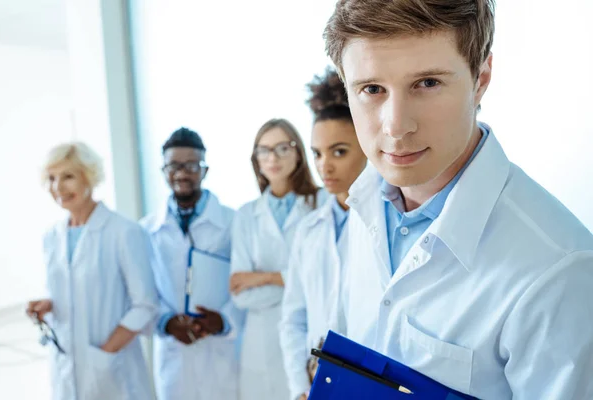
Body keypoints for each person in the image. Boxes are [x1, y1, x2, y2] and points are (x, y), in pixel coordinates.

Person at [323, 0, 593, 398]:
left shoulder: (559, 272)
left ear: (481, 77)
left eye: (428, 83)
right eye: (372, 89)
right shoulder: (364, 202)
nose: (397, 127)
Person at [27, 142, 159, 400]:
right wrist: (48, 305)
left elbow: (146, 305)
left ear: (89, 176)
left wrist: (106, 353)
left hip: (114, 371)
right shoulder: (51, 237)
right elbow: (71, 291)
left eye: (68, 177)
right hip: (67, 368)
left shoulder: (124, 232)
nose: (58, 187)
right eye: (52, 178)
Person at [279, 68, 367, 400]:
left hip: (365, 384)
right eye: (317, 153)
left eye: (339, 152)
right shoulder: (308, 230)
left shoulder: (386, 223)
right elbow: (293, 317)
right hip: (315, 386)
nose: (324, 166)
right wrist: (300, 387)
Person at [140, 127, 243, 400]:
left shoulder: (233, 223)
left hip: (221, 354)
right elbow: (141, 294)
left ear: (204, 171)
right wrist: (166, 322)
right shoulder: (147, 231)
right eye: (173, 165)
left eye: (191, 165)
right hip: (174, 359)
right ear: (163, 170)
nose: (182, 173)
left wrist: (222, 321)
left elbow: (245, 286)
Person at [230, 118, 325, 400]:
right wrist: (298, 282)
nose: (273, 158)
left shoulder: (324, 203)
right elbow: (240, 296)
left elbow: (323, 277)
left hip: (311, 333)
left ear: (298, 152)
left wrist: (264, 277)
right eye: (264, 150)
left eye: (283, 148)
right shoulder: (246, 215)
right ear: (256, 159)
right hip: (261, 343)